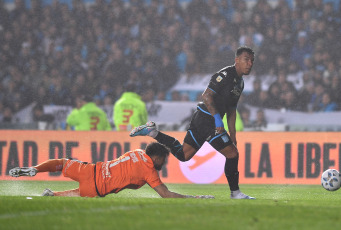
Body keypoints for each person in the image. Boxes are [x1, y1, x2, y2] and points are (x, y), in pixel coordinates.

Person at [130, 46, 256, 199]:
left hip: (201, 118)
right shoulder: (225, 75)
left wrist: (233, 135)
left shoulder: (240, 83)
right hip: (207, 119)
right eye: (246, 60)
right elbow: (207, 96)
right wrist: (217, 119)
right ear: (236, 60)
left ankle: (153, 132)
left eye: (252, 60)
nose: (250, 63)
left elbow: (231, 109)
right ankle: (235, 193)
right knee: (232, 154)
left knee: (184, 154)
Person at [9, 142, 214, 199]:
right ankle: (52, 195)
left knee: (63, 162)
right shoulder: (149, 170)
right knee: (74, 195)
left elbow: (129, 177)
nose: (164, 163)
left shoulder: (136, 152)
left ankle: (35, 169)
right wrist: (194, 197)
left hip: (90, 170)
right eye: (163, 159)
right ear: (156, 157)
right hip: (96, 189)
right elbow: (166, 194)